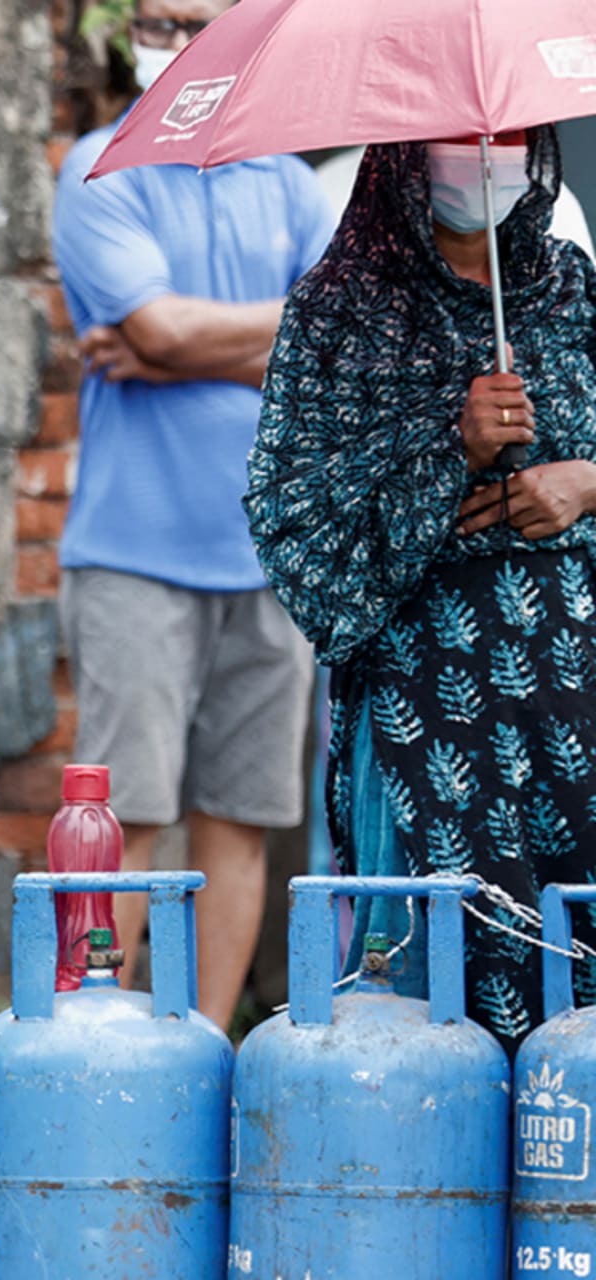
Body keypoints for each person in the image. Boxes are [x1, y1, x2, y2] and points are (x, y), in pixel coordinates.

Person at [247, 127, 596, 1051]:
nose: (487, 158)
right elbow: (292, 520)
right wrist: (455, 447)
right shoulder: (341, 311)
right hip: (426, 713)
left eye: (510, 137)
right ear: (404, 154)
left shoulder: (568, 288)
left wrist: (583, 483)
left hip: (577, 701)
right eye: (455, 138)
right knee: (430, 1009)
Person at [51, 0, 335, 1029]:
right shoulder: (100, 166)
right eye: (161, 17)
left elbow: (337, 338)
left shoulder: (293, 184)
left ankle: (207, 1054)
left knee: (241, 817)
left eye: (201, 17)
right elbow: (157, 325)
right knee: (123, 815)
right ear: (127, 33)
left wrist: (179, 345)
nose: (181, 36)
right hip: (137, 549)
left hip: (272, 550)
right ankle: (92, 1042)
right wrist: (252, 335)